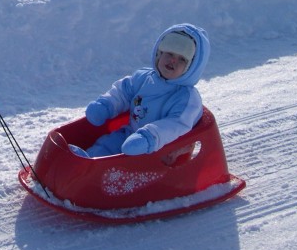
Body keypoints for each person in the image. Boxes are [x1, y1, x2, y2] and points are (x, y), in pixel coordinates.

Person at [70, 23, 209, 158]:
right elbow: (123, 92)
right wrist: (107, 105)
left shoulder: (187, 98)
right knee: (108, 143)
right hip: (130, 133)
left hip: (161, 148)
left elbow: (176, 124)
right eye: (170, 53)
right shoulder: (143, 77)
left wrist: (149, 137)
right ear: (159, 53)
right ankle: (87, 161)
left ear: (192, 68)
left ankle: (97, 174)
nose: (173, 60)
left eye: (182, 59)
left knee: (129, 158)